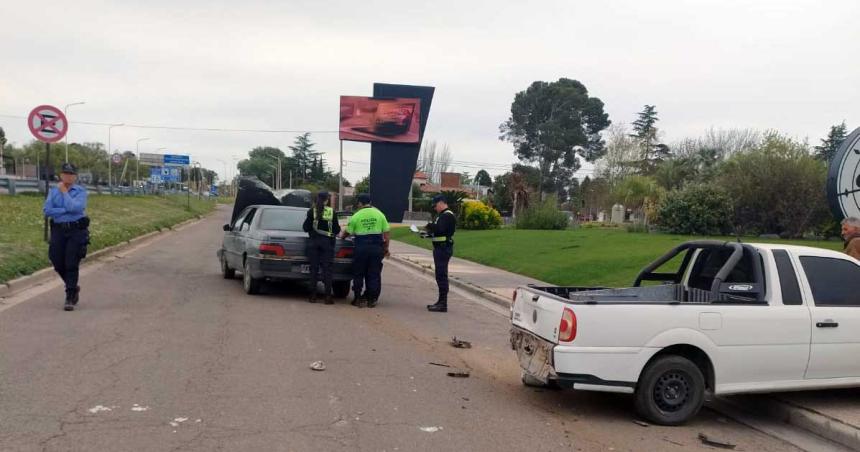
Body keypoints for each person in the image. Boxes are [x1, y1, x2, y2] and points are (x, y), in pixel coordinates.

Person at [43, 163, 90, 311]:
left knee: (71, 262)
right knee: (56, 259)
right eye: (65, 174)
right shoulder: (53, 191)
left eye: (71, 174)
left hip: (75, 230)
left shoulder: (80, 191)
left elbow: (76, 208)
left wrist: (64, 193)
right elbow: (47, 210)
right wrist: (66, 210)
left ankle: (70, 295)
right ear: (61, 175)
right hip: (58, 230)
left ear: (75, 176)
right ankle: (73, 286)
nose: (68, 176)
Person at [338, 193, 390, 308]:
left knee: (359, 273)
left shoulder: (357, 216)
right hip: (376, 248)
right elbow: (386, 232)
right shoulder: (379, 214)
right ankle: (371, 300)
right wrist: (386, 248)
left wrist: (341, 237)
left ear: (360, 203)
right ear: (370, 202)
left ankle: (357, 298)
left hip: (361, 248)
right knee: (374, 274)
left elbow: (348, 232)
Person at [302, 192, 341, 304]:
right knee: (327, 270)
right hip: (327, 244)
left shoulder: (311, 211)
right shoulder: (331, 212)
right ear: (327, 200)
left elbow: (305, 228)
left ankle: (312, 296)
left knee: (313, 269)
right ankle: (328, 297)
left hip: (313, 243)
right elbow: (337, 230)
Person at [424, 194, 456, 313]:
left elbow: (440, 229)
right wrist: (428, 234)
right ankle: (440, 301)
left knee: (441, 275)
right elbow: (439, 232)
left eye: (436, 205)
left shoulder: (447, 216)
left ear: (442, 203)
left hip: (443, 249)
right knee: (440, 275)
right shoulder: (443, 215)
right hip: (440, 248)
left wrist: (430, 226)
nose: (434, 208)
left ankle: (443, 303)